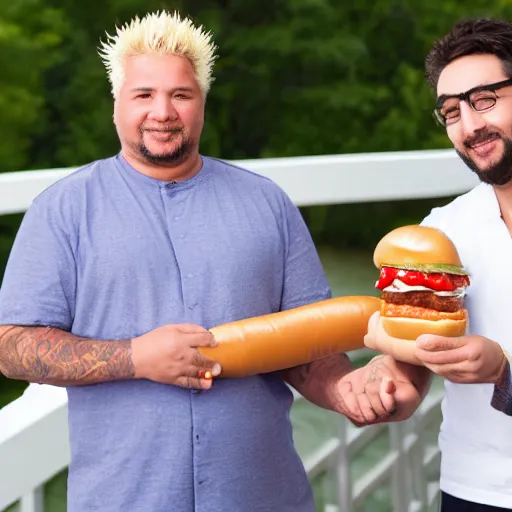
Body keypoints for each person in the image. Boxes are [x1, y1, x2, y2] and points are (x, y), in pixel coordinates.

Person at [0, 10, 423, 512]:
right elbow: (13, 348)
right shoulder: (63, 210)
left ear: (202, 102)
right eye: (144, 95)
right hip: (124, 499)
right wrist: (135, 357)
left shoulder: (268, 204)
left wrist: (347, 387)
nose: (163, 111)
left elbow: (309, 348)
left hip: (264, 497)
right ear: (116, 103)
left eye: (181, 94)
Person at [353, 17, 512, 512]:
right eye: (451, 111)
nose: (470, 125)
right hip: (473, 491)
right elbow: (415, 353)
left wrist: (504, 373)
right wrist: (390, 379)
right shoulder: (442, 230)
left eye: (485, 99)